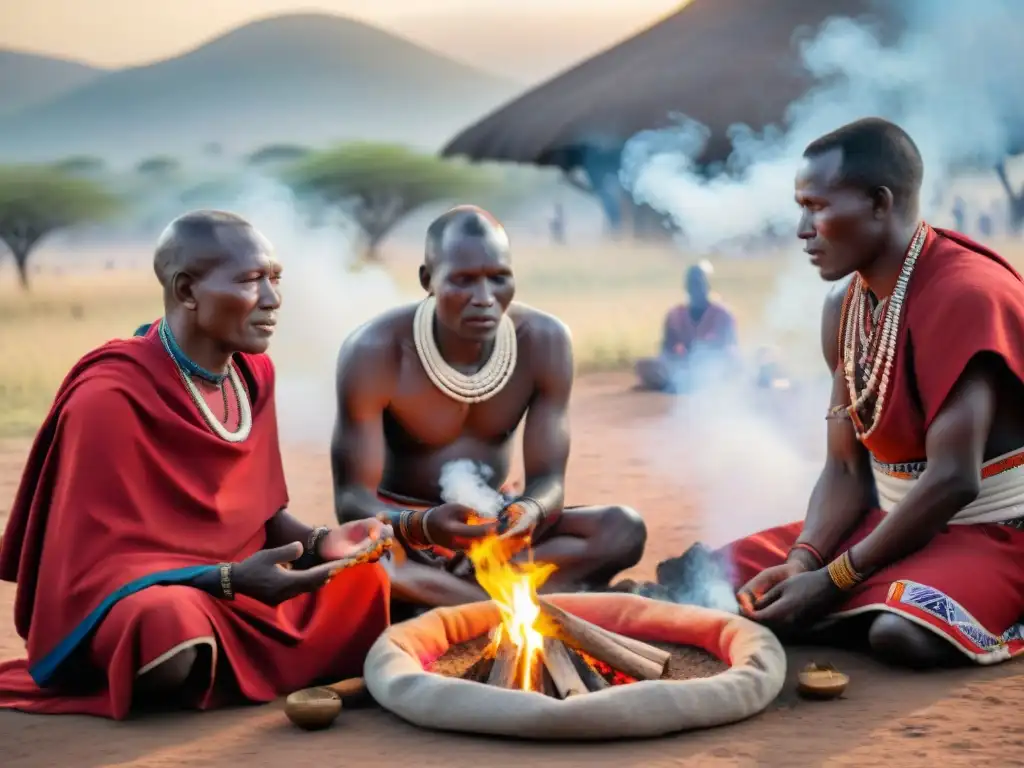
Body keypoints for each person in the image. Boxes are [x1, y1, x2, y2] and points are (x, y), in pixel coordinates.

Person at [0, 210, 393, 720]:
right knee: (165, 629)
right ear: (187, 291)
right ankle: (230, 664)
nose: (273, 300)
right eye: (252, 280)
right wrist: (227, 580)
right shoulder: (108, 397)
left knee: (365, 581)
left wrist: (324, 542)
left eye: (276, 279)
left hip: (244, 589)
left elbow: (265, 519)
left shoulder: (254, 374)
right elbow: (93, 569)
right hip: (160, 599)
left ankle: (224, 669)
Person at [727, 118, 1024, 668]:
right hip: (889, 527)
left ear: (880, 203)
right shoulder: (845, 306)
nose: (802, 229)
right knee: (725, 578)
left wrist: (832, 580)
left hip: (993, 532)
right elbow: (844, 469)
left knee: (901, 632)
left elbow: (955, 478)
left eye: (816, 207)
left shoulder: (966, 295)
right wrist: (802, 563)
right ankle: (840, 600)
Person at [331, 204, 646, 614]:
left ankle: (459, 604)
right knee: (372, 563)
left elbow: (548, 479)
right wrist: (423, 526)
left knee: (621, 529)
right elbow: (352, 499)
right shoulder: (375, 351)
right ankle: (518, 607)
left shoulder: (544, 341)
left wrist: (524, 515)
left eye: (499, 278)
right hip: (409, 538)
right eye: (463, 280)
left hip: (498, 529)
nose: (484, 299)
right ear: (428, 280)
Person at [634, 262, 739, 393]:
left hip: (714, 367)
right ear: (686, 287)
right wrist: (678, 352)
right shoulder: (674, 315)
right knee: (643, 365)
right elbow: (665, 351)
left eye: (700, 284)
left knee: (737, 365)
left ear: (708, 286)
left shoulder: (722, 314)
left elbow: (731, 348)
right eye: (692, 284)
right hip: (681, 366)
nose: (696, 289)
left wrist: (708, 351)